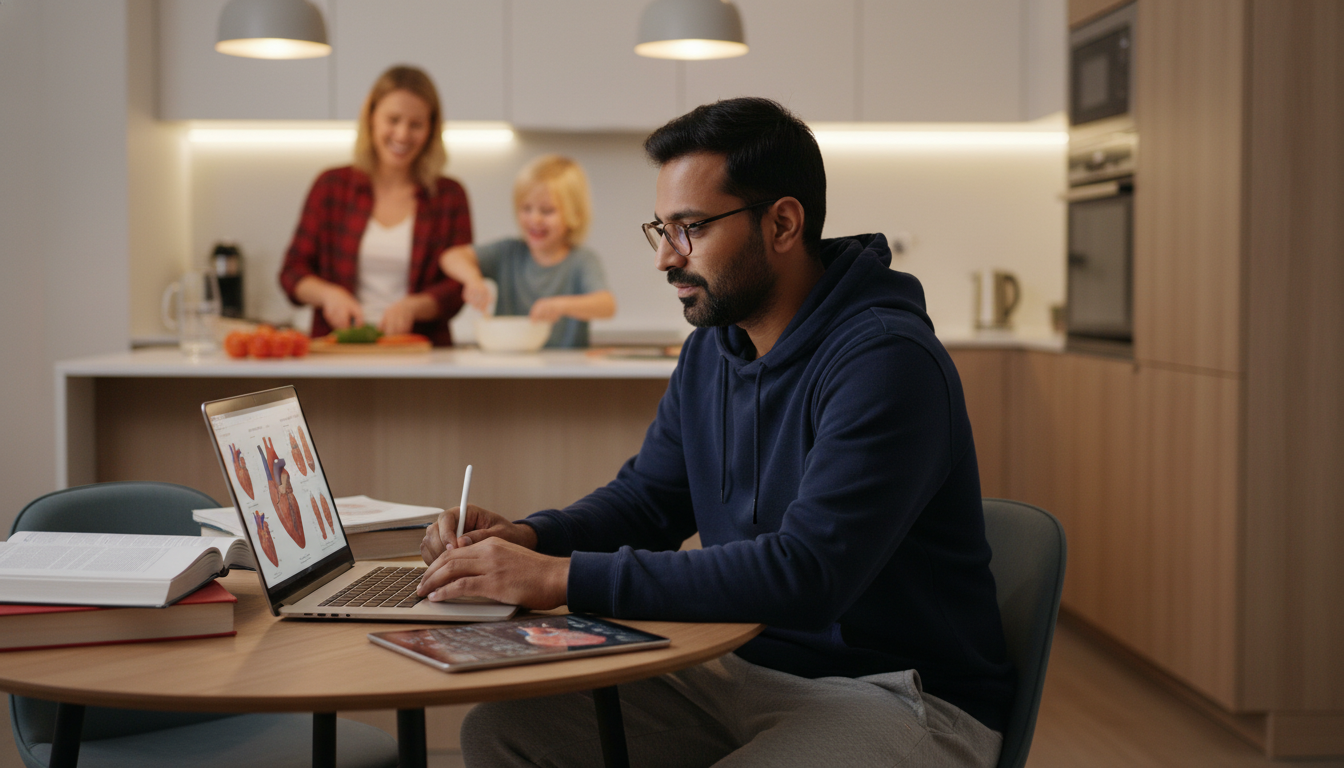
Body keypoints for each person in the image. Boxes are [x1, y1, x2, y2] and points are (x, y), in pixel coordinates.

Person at [418, 97, 1014, 767]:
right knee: (503, 730)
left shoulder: (886, 362)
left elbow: (808, 573)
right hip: (741, 669)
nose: (665, 259)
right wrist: (531, 538)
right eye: (660, 229)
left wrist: (560, 578)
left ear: (782, 223)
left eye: (690, 228)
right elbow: (648, 502)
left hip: (901, 697)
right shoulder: (714, 350)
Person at [279, 65, 471, 346]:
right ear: (371, 119)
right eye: (393, 119)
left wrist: (413, 306)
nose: (403, 134)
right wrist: (328, 294)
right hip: (337, 350)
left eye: (416, 124)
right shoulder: (331, 186)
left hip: (419, 352)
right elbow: (292, 272)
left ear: (431, 129)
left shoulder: (449, 196)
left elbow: (457, 287)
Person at [439, 155, 615, 348]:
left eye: (547, 211)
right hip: (510, 367)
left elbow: (606, 305)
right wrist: (472, 279)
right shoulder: (508, 252)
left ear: (575, 214)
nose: (535, 219)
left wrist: (561, 306)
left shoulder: (582, 261)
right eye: (526, 208)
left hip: (565, 369)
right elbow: (452, 257)